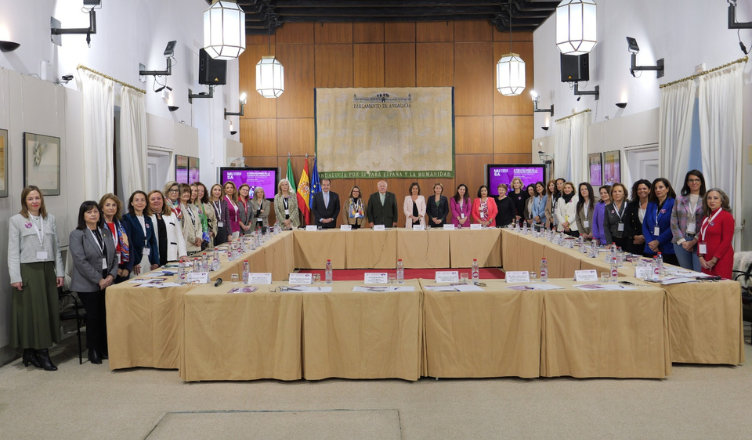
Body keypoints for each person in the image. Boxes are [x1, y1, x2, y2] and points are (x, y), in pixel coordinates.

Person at [8, 186, 65, 371]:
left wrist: (60, 272)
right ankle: (40, 352)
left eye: (37, 198)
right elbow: (13, 251)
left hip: (47, 269)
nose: (34, 202)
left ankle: (31, 353)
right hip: (28, 270)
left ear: (41, 200)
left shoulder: (50, 219)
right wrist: (15, 277)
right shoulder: (16, 220)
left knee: (47, 311)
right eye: (30, 199)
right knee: (32, 314)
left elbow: (56, 248)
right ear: (25, 201)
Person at [69, 201, 118, 364]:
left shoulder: (105, 232)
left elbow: (114, 256)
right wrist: (99, 279)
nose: (93, 215)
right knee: (94, 316)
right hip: (87, 283)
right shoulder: (77, 234)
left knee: (106, 315)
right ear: (83, 215)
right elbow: (80, 261)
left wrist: (111, 275)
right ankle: (93, 350)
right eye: (89, 212)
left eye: (96, 211)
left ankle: (104, 347)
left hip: (107, 280)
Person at [671, 170, 705, 271]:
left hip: (698, 240)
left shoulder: (707, 199)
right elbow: (673, 221)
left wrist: (694, 241)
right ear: (687, 183)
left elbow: (706, 224)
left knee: (698, 272)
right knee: (685, 272)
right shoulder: (679, 199)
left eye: (697, 180)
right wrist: (683, 241)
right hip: (681, 240)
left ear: (701, 182)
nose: (694, 182)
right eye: (691, 180)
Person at [698, 189, 735, 279]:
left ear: (721, 201)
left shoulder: (727, 216)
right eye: (709, 198)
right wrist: (701, 257)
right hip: (706, 259)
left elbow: (726, 241)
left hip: (721, 258)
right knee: (707, 287)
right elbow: (701, 238)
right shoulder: (706, 217)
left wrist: (714, 260)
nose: (712, 201)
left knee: (720, 287)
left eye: (715, 198)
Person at [98, 193, 134, 284]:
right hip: (107, 269)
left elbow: (130, 246)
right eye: (107, 205)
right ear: (102, 208)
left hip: (123, 267)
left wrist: (127, 268)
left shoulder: (123, 223)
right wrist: (114, 270)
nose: (111, 208)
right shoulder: (98, 225)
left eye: (114, 205)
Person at [642, 177, 679, 265]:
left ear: (667, 189)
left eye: (661, 187)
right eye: (655, 188)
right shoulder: (651, 204)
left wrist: (658, 241)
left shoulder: (674, 203)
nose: (658, 190)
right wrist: (650, 242)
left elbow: (673, 226)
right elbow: (645, 224)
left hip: (667, 247)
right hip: (651, 247)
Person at [123, 190, 159, 275]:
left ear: (146, 203)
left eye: (142, 200)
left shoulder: (148, 219)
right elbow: (128, 242)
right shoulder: (126, 218)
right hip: (136, 259)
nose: (140, 202)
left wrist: (155, 261)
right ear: (131, 203)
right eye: (136, 200)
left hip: (148, 257)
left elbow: (153, 240)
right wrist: (134, 261)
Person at [148, 190, 187, 265]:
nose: (156, 201)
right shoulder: (147, 217)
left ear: (163, 200)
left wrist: (183, 254)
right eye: (153, 199)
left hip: (170, 255)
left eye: (159, 198)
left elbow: (179, 235)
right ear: (148, 202)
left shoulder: (171, 215)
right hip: (154, 256)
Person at [603, 183, 632, 251]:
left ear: (624, 193)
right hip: (614, 239)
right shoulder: (608, 207)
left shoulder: (630, 205)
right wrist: (609, 242)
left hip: (629, 239)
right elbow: (606, 226)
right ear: (611, 194)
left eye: (620, 191)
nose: (617, 193)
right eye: (614, 191)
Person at [626, 179, 651, 255]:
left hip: (650, 241)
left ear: (649, 190)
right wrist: (635, 236)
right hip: (635, 241)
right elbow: (627, 223)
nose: (641, 191)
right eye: (639, 189)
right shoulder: (631, 205)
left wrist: (644, 237)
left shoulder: (654, 205)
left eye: (644, 188)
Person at [179, 184, 203, 254]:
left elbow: (199, 224)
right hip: (187, 245)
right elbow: (182, 227)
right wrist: (194, 239)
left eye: (188, 192)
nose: (186, 194)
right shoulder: (178, 209)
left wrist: (199, 237)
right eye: (184, 192)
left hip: (197, 245)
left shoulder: (193, 207)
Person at [193, 182, 217, 247]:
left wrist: (213, 231)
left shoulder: (207, 204)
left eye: (202, 191)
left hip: (207, 236)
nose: (200, 193)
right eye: (198, 191)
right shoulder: (191, 205)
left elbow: (214, 220)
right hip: (197, 239)